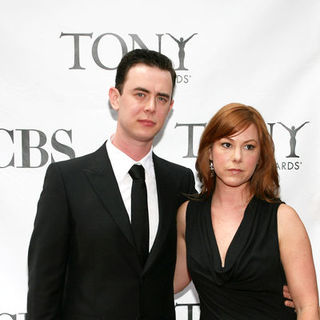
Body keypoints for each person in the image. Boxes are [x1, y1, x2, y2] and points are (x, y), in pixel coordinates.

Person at [27, 49, 196, 320]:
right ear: (115, 98)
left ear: (169, 107)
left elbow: (209, 253)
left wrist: (276, 283)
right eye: (140, 94)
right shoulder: (67, 179)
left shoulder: (179, 182)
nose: (151, 107)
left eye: (161, 98)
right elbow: (43, 286)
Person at [174, 103, 319, 319]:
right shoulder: (188, 215)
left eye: (249, 147)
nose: (237, 157)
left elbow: (308, 307)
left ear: (260, 157)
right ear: (210, 151)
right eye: (226, 145)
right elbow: (169, 281)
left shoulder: (282, 218)